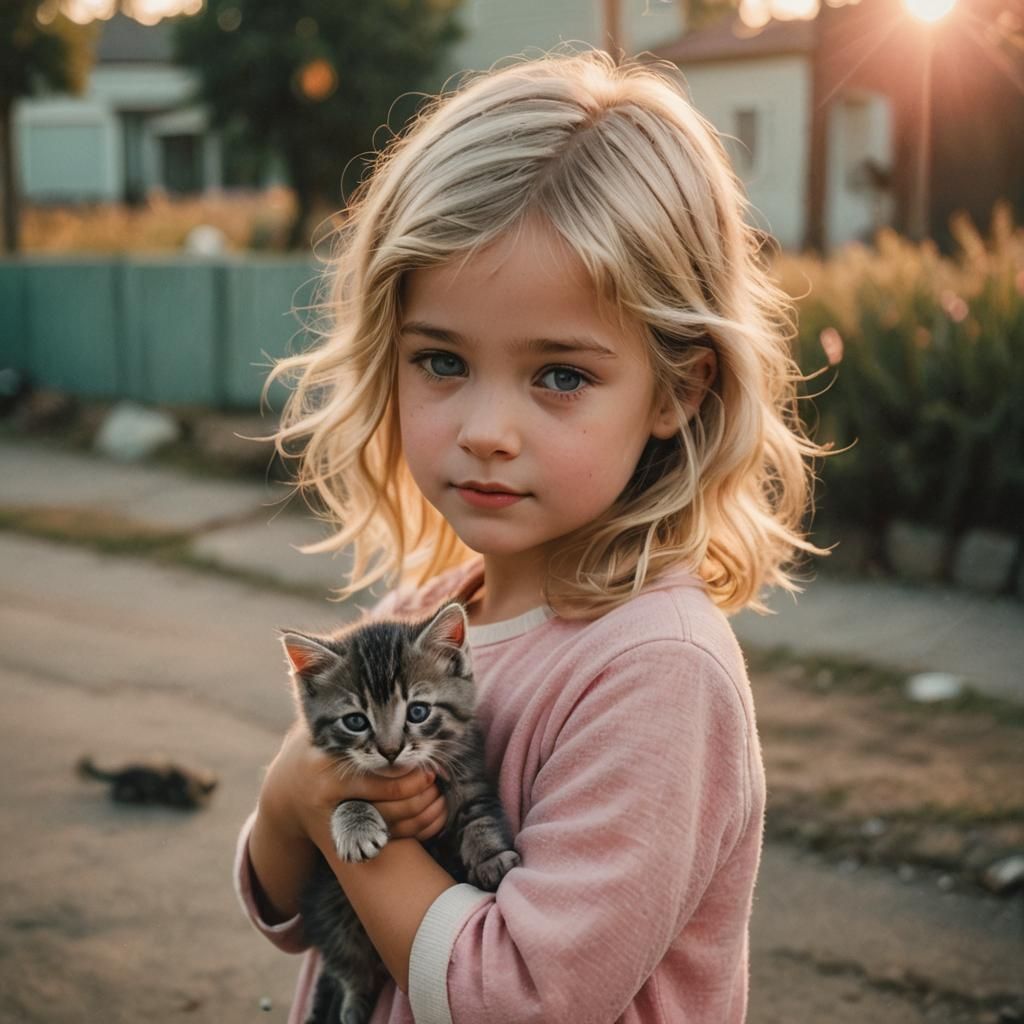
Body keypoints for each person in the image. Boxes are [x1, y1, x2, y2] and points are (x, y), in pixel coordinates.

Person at [234, 48, 826, 1024]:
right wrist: (286, 792)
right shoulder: (423, 616)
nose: (486, 430)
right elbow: (288, 908)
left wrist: (324, 806)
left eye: (559, 375)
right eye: (441, 361)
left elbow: (516, 998)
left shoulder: (655, 672)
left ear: (678, 390)